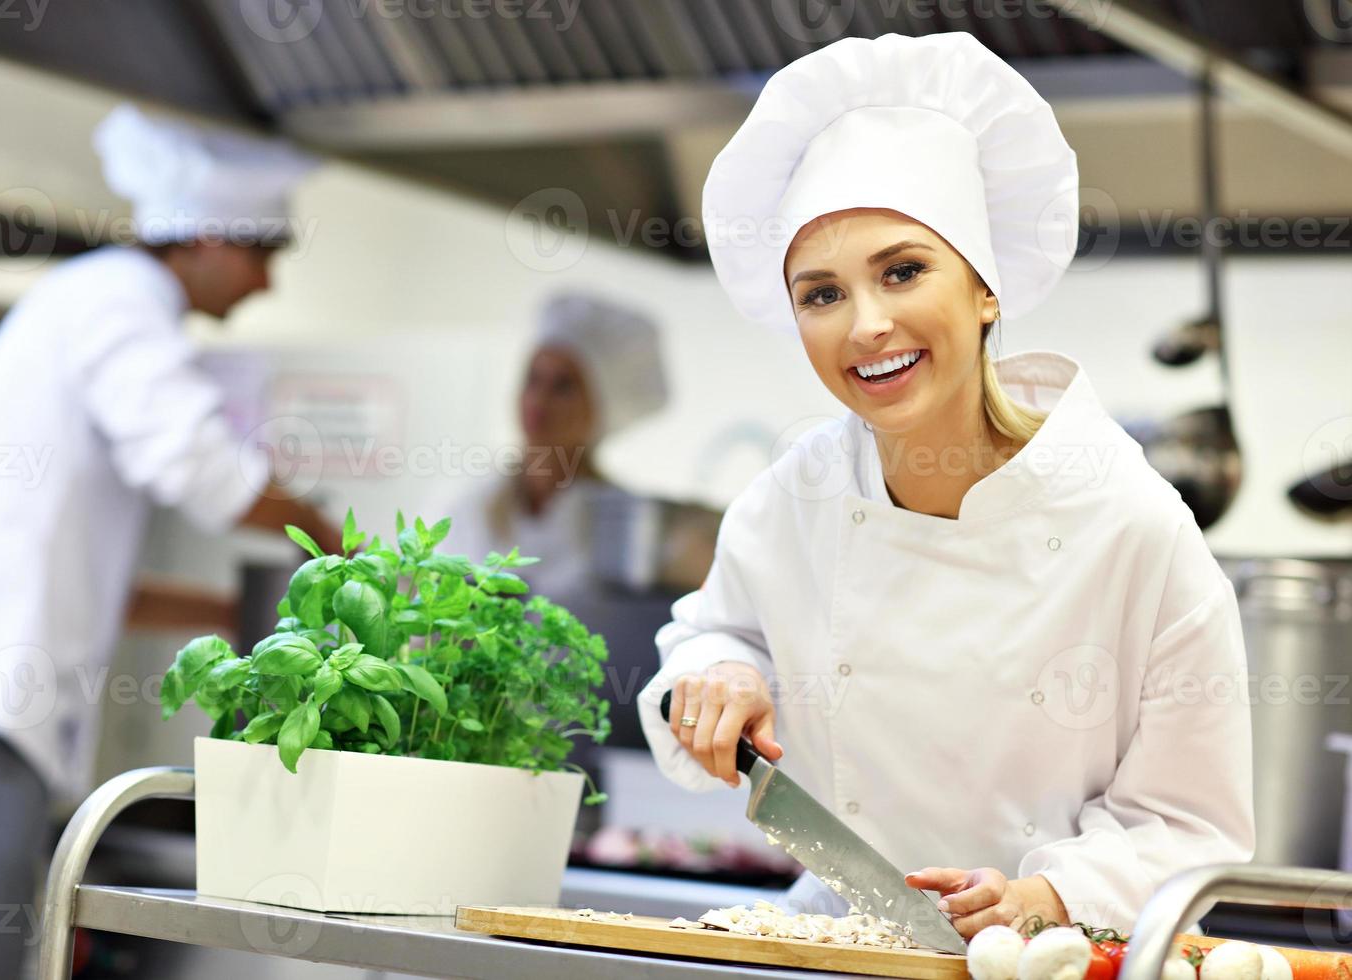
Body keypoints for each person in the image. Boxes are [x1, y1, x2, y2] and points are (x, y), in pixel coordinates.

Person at [637, 32, 1253, 939]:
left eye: (903, 271)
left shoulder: (1128, 524)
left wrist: (1044, 898)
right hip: (838, 944)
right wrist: (716, 672)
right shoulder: (793, 497)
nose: (867, 325)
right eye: (821, 294)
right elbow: (712, 634)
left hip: (1045, 961)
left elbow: (1191, 825)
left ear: (984, 289)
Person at [0, 104, 338, 980]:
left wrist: (231, 615)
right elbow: (200, 466)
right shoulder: (120, 303)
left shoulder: (87, 302)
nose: (267, 284)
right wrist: (329, 541)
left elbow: (91, 579)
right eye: (264, 253)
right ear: (204, 237)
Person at [439, 291, 670, 612]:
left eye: (563, 386)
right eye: (533, 379)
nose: (539, 400)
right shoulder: (471, 504)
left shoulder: (622, 521)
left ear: (600, 408)